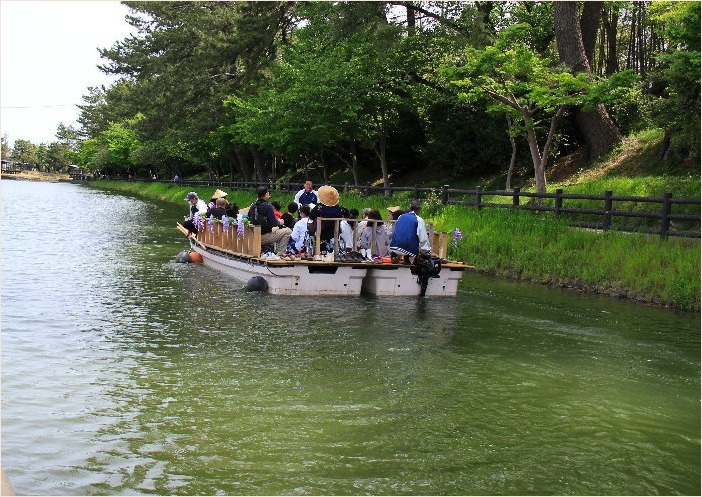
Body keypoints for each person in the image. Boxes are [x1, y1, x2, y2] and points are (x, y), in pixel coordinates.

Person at [249, 186, 292, 256]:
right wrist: (280, 222)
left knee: (275, 230)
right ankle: (280, 253)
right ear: (266, 194)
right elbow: (274, 223)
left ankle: (272, 251)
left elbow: (250, 217)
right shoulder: (268, 206)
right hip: (264, 236)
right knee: (288, 231)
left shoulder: (253, 206)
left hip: (254, 234)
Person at [309, 185, 349, 249]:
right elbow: (347, 215)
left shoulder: (319, 207)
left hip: (322, 230)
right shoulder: (339, 208)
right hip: (335, 230)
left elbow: (311, 216)